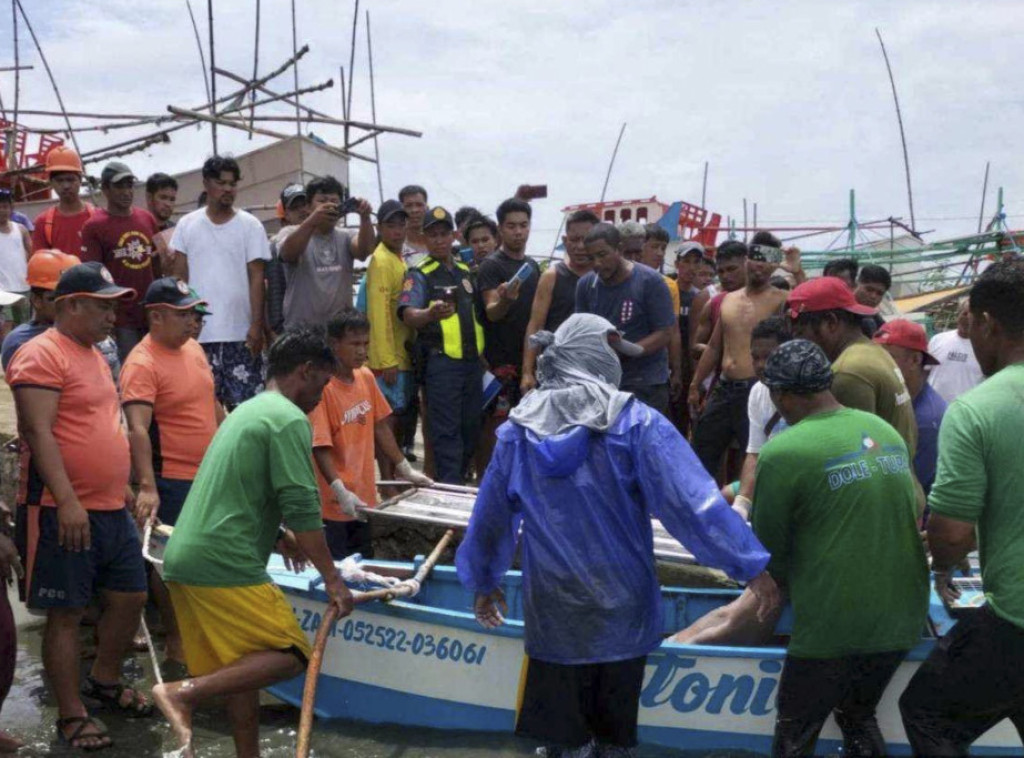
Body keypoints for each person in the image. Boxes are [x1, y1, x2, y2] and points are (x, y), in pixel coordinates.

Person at [456, 313, 779, 758]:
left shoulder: (517, 433)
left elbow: (491, 517)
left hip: (554, 609)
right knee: (614, 742)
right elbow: (694, 505)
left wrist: (484, 581)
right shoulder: (637, 424)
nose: (615, 363)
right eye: (608, 352)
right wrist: (750, 566)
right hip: (622, 611)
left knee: (562, 742)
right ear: (591, 356)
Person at [152, 326, 355, 758]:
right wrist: (334, 579)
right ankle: (182, 693)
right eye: (321, 383)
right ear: (305, 372)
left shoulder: (249, 410)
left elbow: (240, 490)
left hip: (186, 559)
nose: (321, 396)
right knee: (290, 653)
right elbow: (303, 510)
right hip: (223, 562)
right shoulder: (287, 419)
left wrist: (278, 537)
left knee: (241, 664)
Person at [749, 340, 928, 757]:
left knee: (796, 733)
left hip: (836, 622)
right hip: (903, 616)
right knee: (857, 715)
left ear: (782, 395)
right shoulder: (881, 430)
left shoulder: (784, 450)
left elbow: (769, 551)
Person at [8, 262, 151, 751]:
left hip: (110, 504)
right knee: (65, 612)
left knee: (131, 595)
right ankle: (71, 713)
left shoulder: (94, 354)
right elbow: (36, 430)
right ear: (70, 305)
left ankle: (103, 680)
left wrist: (126, 487)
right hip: (59, 506)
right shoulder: (40, 353)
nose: (113, 316)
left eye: (114, 307)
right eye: (102, 306)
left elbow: (102, 423)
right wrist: (67, 500)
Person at [899, 260, 1024, 756]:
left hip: (1016, 619)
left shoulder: (976, 409)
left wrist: (939, 565)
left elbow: (951, 534)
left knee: (927, 711)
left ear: (989, 324)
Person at [120, 278, 220, 681]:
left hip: (208, 472)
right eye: (182, 314)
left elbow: (212, 403)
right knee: (169, 564)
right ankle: (177, 641)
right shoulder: (142, 362)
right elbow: (137, 429)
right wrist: (147, 486)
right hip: (170, 477)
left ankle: (204, 633)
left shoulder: (193, 349)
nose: (190, 321)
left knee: (207, 558)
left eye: (191, 313)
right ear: (156, 315)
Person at [310, 309, 432, 559]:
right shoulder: (323, 389)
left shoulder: (365, 377)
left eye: (365, 344)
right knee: (338, 570)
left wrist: (404, 468)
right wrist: (339, 490)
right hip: (333, 504)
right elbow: (319, 445)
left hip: (365, 498)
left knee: (364, 564)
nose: (361, 351)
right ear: (334, 344)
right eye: (354, 344)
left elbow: (380, 426)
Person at [169, 156, 271, 410]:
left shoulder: (251, 225)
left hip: (242, 336)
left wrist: (256, 326)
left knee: (246, 413)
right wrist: (183, 325)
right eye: (221, 182)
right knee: (202, 411)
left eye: (232, 183)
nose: (227, 189)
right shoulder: (187, 225)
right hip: (198, 336)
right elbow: (179, 279)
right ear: (206, 183)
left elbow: (257, 277)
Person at [689, 233, 789, 478]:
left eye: (767, 260)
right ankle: (704, 510)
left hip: (757, 388)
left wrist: (796, 272)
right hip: (724, 388)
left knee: (756, 457)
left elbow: (809, 304)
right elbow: (713, 347)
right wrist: (694, 385)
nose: (759, 265)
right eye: (755, 258)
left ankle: (750, 510)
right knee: (701, 451)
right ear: (747, 260)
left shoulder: (782, 299)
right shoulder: (727, 300)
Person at [399, 207, 484, 484]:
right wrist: (429, 314)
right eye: (432, 235)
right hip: (442, 365)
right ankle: (452, 497)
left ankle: (457, 486)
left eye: (444, 233)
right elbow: (409, 314)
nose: (439, 240)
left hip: (473, 365)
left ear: (454, 235)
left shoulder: (464, 270)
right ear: (424, 238)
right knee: (446, 435)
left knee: (471, 429)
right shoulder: (420, 273)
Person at [787, 276, 918, 456]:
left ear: (831, 322)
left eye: (801, 332)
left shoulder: (848, 372)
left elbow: (857, 458)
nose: (800, 343)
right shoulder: (871, 351)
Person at [576, 223, 675, 415]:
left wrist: (627, 348)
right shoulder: (585, 285)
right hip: (603, 384)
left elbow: (665, 332)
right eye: (591, 258)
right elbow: (581, 331)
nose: (597, 263)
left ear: (619, 249)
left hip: (645, 383)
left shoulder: (650, 281)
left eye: (602, 255)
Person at [80, 161, 161, 360]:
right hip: (120, 318)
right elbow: (93, 278)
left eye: (129, 185)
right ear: (105, 189)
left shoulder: (147, 219)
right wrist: (104, 318)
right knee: (129, 370)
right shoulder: (94, 226)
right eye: (119, 186)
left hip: (152, 314)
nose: (126, 192)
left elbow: (159, 264)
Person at [277, 175, 374, 329]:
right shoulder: (289, 232)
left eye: (334, 201)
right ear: (308, 206)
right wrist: (313, 220)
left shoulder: (347, 236)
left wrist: (365, 218)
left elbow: (364, 252)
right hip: (301, 331)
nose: (329, 206)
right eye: (322, 201)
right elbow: (288, 254)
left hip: (340, 332)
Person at [520, 209, 599, 394]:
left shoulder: (605, 277)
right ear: (565, 241)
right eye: (574, 239)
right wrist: (527, 372)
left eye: (586, 240)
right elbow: (535, 326)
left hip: (595, 372)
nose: (580, 246)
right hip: (555, 373)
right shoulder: (552, 276)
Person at [365, 199, 414, 482]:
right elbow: (378, 312)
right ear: (379, 228)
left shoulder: (399, 258)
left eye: (401, 225)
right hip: (389, 361)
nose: (397, 231)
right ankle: (386, 482)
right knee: (386, 422)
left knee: (397, 421)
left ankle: (392, 478)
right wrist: (385, 361)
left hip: (402, 356)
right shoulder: (381, 260)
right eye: (390, 226)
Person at [873, 319, 947, 496]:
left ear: (915, 360)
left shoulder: (928, 420)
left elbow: (901, 486)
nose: (877, 364)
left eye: (888, 357)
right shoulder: (901, 400)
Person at [731, 316, 793, 516]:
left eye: (768, 357)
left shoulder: (807, 393)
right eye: (755, 357)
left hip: (801, 479)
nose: (760, 365)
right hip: (770, 477)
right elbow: (755, 453)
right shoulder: (758, 391)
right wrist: (741, 504)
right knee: (723, 497)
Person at [1, 251, 80, 372]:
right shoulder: (20, 342)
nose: (68, 305)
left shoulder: (90, 335)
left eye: (74, 298)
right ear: (37, 300)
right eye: (57, 298)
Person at [641, 224, 685, 400]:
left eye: (663, 248)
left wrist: (676, 370)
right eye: (654, 246)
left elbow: (673, 331)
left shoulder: (670, 285)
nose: (659, 253)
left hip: (656, 369)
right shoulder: (620, 278)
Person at [31, 146, 95, 255]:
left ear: (80, 180)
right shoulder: (43, 222)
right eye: (59, 181)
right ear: (51, 183)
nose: (65, 186)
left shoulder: (95, 217)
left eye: (70, 180)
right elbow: (40, 264)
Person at [266, 183, 310, 339]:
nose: (302, 210)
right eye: (295, 207)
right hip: (293, 332)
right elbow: (276, 291)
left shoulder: (325, 237)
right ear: (286, 215)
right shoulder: (275, 245)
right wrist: (279, 331)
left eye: (305, 204)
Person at [927, 296, 985, 403]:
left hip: (965, 412)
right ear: (958, 315)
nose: (967, 318)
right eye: (964, 313)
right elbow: (925, 372)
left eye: (971, 315)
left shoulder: (985, 348)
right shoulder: (937, 340)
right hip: (934, 410)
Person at [0, 189, 32, 337]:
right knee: (6, 330)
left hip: (23, 288)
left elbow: (30, 255)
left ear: (11, 208)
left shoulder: (21, 229)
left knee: (24, 330)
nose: (2, 210)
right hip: (2, 292)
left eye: (5, 206)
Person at [146, 173, 181, 277]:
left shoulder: (178, 230)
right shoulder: (138, 231)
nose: (168, 204)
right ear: (149, 198)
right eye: (163, 197)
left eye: (172, 199)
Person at [854, 264, 891, 337]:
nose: (873, 296)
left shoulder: (878, 322)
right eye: (869, 289)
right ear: (857, 283)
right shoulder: (840, 312)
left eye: (879, 293)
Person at [399, 184, 429, 265]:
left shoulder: (439, 244)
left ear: (427, 207)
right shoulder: (396, 247)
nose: (414, 210)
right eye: (408, 206)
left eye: (419, 205)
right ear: (401, 209)